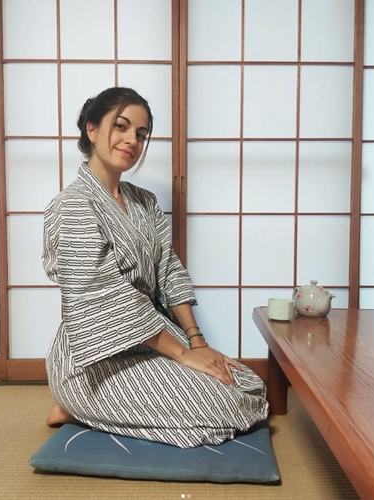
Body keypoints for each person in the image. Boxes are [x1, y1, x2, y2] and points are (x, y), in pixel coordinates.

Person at [42, 87, 269, 448]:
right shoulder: (72, 206)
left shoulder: (144, 202)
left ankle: (91, 411)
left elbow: (168, 270)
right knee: (223, 406)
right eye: (121, 126)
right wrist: (184, 355)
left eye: (141, 134)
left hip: (151, 340)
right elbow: (104, 300)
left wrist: (197, 342)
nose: (132, 140)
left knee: (246, 384)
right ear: (92, 130)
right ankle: (76, 404)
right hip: (95, 356)